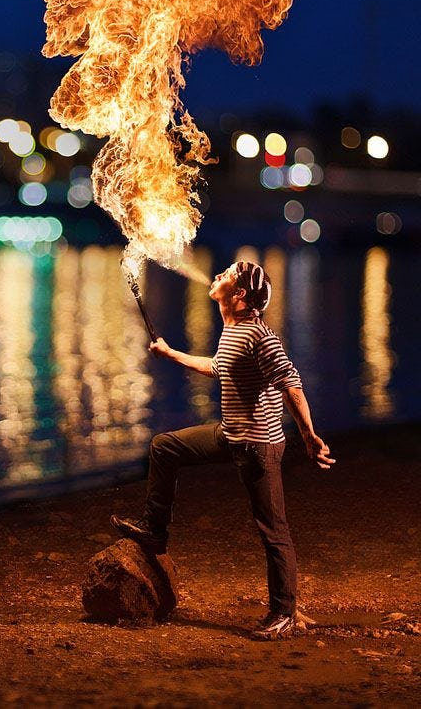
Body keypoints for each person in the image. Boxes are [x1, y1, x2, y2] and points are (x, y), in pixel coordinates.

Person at [111, 260, 335, 640]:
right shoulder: (232, 330)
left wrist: (309, 436)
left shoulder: (257, 335)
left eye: (227, 275)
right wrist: (171, 354)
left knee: (273, 529)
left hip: (259, 445)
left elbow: (291, 383)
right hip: (231, 434)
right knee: (164, 447)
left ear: (240, 294)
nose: (217, 276)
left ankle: (284, 612)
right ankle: (154, 530)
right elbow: (219, 367)